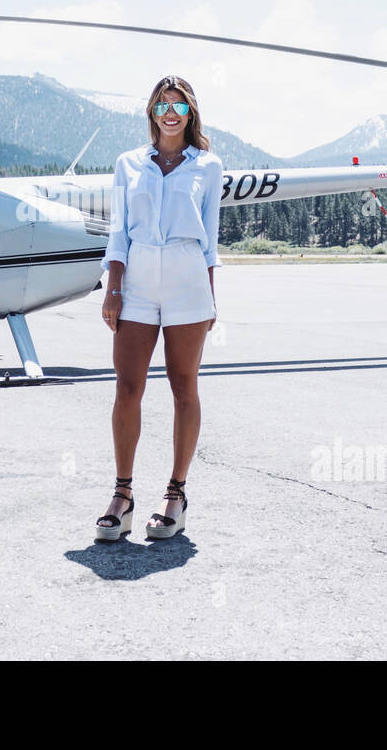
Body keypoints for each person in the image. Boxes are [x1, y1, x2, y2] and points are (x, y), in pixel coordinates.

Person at [96, 74, 222, 542]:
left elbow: (210, 236)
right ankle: (123, 494)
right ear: (152, 111)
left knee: (183, 385)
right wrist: (114, 287)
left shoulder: (207, 165)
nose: (171, 113)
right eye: (163, 105)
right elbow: (118, 229)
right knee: (128, 387)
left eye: (180, 106)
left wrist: (210, 298)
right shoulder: (129, 163)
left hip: (189, 281)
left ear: (191, 114)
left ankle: (176, 493)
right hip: (139, 282)